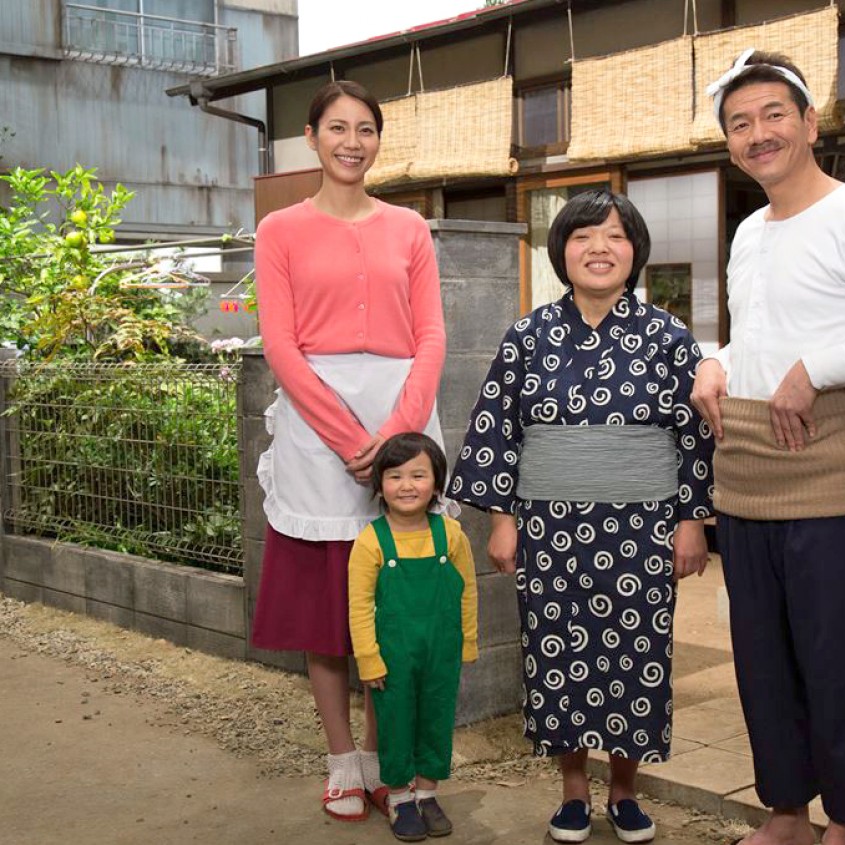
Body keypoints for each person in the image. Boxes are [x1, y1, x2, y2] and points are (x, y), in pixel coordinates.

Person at [691, 50, 845, 845]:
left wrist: (817, 371)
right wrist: (716, 361)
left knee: (835, 659)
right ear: (729, 142)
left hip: (829, 465)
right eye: (740, 123)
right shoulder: (750, 233)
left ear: (808, 123)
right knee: (762, 658)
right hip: (748, 468)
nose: (757, 133)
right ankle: (787, 812)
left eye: (772, 116)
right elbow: (758, 336)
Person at [449, 190, 713, 844]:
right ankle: (572, 789)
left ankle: (624, 790)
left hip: (643, 527)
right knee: (557, 653)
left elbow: (693, 438)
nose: (600, 247)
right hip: (550, 527)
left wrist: (692, 519)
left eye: (617, 236)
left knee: (637, 652)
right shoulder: (527, 335)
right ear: (561, 249)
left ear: (636, 252)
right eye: (585, 235)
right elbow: (498, 432)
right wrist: (502, 518)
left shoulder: (670, 338)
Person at [250, 80, 447, 823]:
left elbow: (430, 335)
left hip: (403, 412)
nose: (352, 141)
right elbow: (281, 344)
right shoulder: (281, 231)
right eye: (338, 128)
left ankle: (389, 758)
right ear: (312, 137)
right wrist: (346, 437)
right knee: (327, 602)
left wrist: (397, 437)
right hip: (315, 419)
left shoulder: (408, 229)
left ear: (378, 140)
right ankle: (342, 760)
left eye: (366, 129)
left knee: (394, 600)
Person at [348, 433, 478, 842]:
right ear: (379, 485)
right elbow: (359, 606)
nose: (407, 485)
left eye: (419, 475)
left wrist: (468, 642)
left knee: (436, 721)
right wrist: (368, 659)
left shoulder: (451, 535)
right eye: (395, 476)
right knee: (396, 724)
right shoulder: (371, 541)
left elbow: (468, 590)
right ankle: (400, 798)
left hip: (442, 652)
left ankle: (428, 793)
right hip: (393, 658)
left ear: (437, 483)